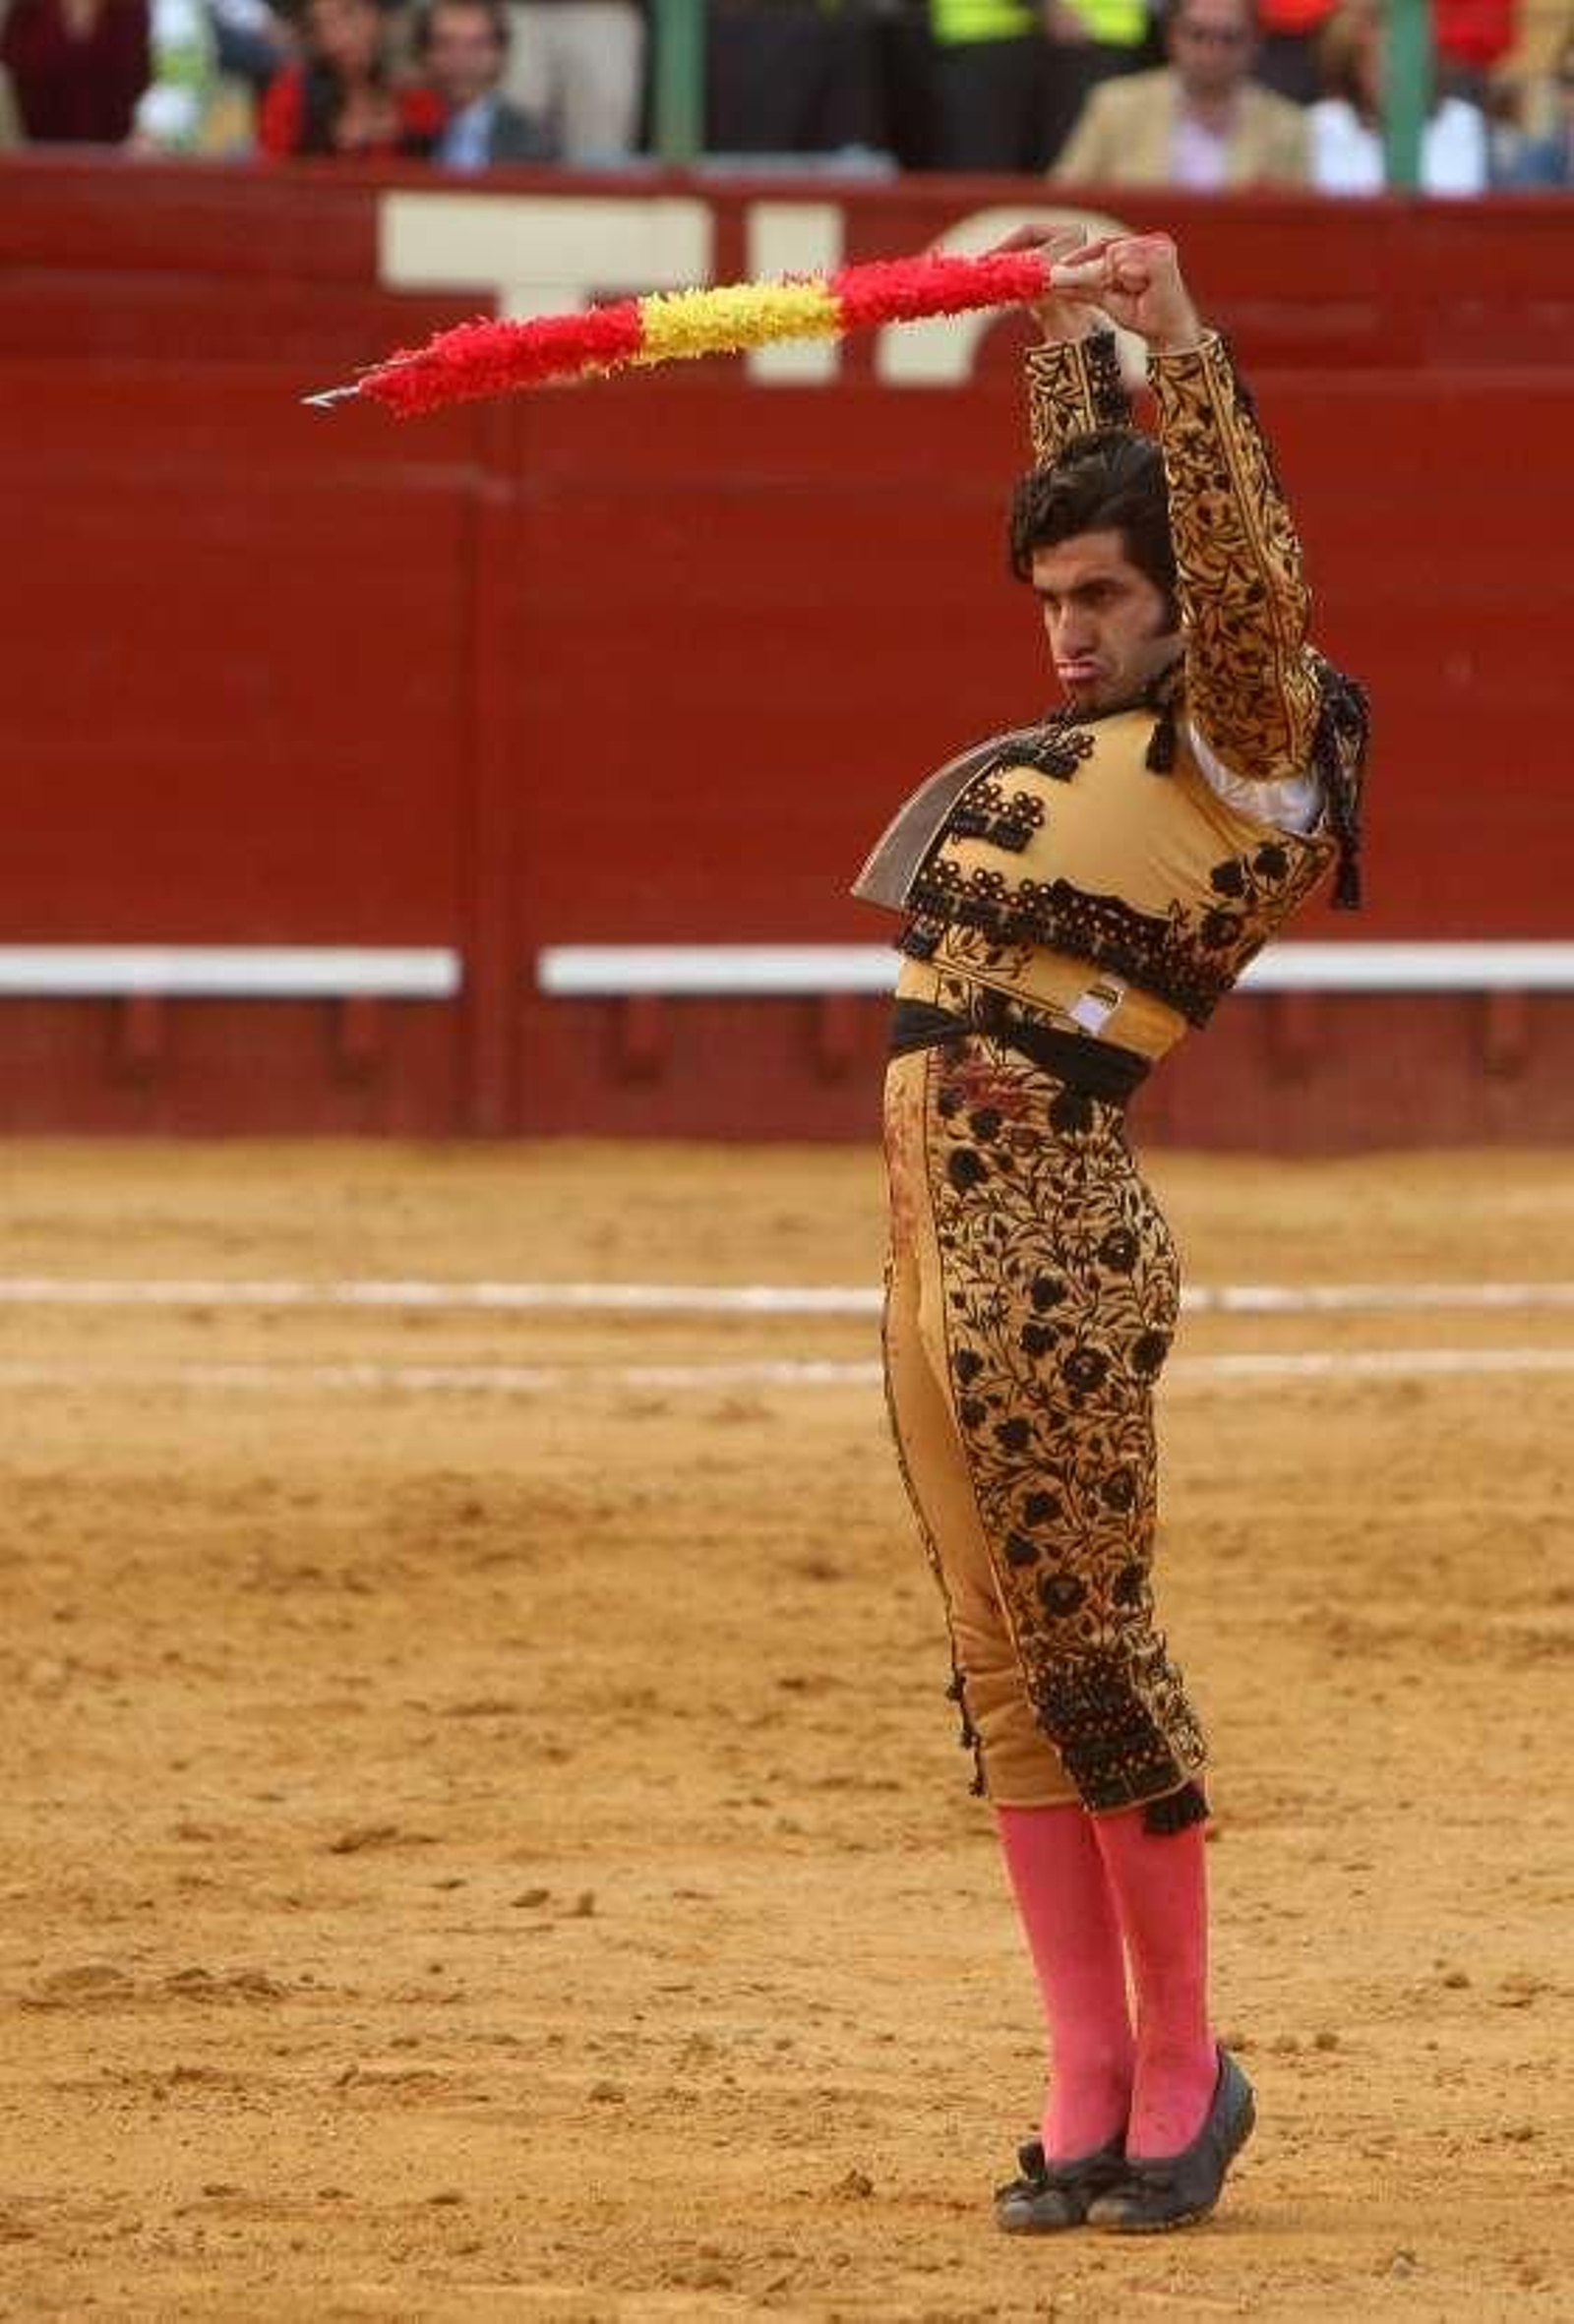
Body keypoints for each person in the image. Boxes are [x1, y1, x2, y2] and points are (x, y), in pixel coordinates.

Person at [855, 223, 1367, 2234]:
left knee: (1088, 1652)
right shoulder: (1106, 712)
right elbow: (1100, 500)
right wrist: (1053, 334)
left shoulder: (1245, 735)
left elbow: (1236, 567)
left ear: (1180, 607)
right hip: (919, 1237)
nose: (1063, 633)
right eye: (1045, 598)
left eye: (1098, 598)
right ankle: (1080, 2075)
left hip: (1052, 1229)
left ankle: (1181, 2061)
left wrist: (1182, 347)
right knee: (996, 1665)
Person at [1053, 0, 1309, 187]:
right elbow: (1067, 196)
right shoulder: (1115, 105)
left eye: (1229, 38)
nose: (1212, 51)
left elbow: (1298, 224)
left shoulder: (1287, 123)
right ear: (1172, 37)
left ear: (1255, 43)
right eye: (1197, 35)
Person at [1307, 0, 1487, 194]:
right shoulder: (1319, 129)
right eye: (1380, 66)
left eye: (1410, 62)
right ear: (1354, 67)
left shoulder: (1468, 126)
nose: (1398, 78)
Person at [258, 0, 442, 155]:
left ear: (377, 15)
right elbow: (270, 172)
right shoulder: (292, 92)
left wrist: (402, 129)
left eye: (349, 13)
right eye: (321, 25)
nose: (339, 36)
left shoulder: (416, 91)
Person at [416, 0, 556, 164]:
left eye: (477, 45)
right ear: (424, 53)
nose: (461, 59)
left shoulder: (532, 137)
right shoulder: (400, 130)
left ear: (501, 55)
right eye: (445, 43)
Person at [0, 0, 149, 140]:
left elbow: (140, 81)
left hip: (112, 156)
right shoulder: (28, 9)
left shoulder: (129, 10)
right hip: (31, 152)